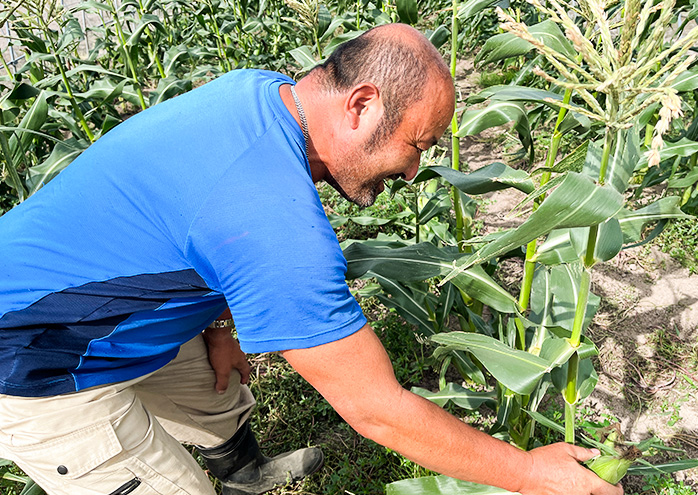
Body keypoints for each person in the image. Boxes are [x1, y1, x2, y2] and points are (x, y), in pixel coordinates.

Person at [0, 23, 623, 495]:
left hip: (82, 299)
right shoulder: (271, 221)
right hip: (36, 363)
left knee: (219, 395)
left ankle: (245, 473)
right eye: (416, 146)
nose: (412, 172)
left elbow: (183, 215)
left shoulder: (260, 92)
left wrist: (218, 325)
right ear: (362, 104)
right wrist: (528, 471)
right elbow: (377, 410)